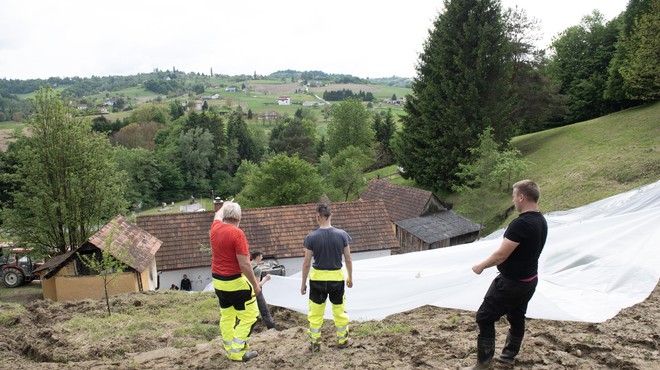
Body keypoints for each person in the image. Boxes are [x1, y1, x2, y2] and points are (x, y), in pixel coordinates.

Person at [462, 180, 548, 369]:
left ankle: (483, 364)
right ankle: (508, 356)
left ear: (521, 197)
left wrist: (481, 266)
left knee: (484, 317)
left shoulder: (521, 223)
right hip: (529, 281)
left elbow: (501, 255)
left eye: (514, 196)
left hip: (511, 283)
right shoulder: (541, 220)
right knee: (517, 316)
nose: (513, 200)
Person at [210, 200, 261, 362]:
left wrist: (225, 205)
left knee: (227, 316)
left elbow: (217, 215)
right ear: (239, 217)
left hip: (218, 281)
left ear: (225, 215)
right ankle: (238, 351)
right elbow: (245, 264)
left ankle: (229, 348)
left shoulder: (215, 227)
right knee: (250, 315)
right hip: (235, 282)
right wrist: (255, 285)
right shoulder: (237, 234)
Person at [300, 203, 353, 352]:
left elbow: (306, 263)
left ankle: (315, 343)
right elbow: (348, 258)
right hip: (336, 279)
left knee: (315, 313)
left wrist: (303, 284)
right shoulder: (342, 235)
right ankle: (343, 340)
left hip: (317, 280)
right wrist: (350, 277)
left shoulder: (310, 238)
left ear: (318, 217)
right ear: (331, 216)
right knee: (339, 311)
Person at [250, 251, 277, 330]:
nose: (262, 258)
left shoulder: (247, 266)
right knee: (264, 311)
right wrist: (266, 279)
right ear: (257, 257)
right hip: (256, 292)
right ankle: (272, 327)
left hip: (245, 291)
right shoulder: (257, 269)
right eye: (261, 257)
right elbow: (257, 285)